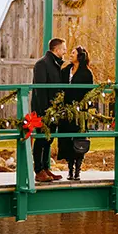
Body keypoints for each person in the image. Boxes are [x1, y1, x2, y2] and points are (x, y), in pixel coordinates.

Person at [31, 38, 67, 182]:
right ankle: (38, 170)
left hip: (54, 110)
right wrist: (45, 111)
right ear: (56, 50)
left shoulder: (56, 65)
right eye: (63, 49)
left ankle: (46, 168)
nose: (65, 51)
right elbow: (40, 90)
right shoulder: (42, 64)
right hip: (43, 110)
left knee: (49, 139)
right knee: (41, 139)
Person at [58, 46, 94, 180]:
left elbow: (89, 92)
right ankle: (70, 169)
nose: (70, 55)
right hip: (66, 109)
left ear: (80, 56)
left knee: (79, 139)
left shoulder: (86, 73)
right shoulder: (66, 70)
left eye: (73, 53)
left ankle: (78, 169)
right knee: (67, 139)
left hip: (79, 111)